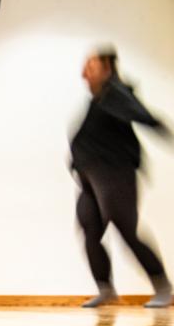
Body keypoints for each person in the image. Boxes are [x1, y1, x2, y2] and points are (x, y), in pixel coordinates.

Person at [71, 46, 172, 308]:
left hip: (115, 173)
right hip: (90, 178)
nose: (84, 72)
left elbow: (145, 117)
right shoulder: (99, 99)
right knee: (89, 229)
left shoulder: (115, 93)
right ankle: (106, 289)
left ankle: (163, 286)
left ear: (107, 69)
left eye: (90, 66)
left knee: (127, 230)